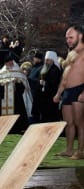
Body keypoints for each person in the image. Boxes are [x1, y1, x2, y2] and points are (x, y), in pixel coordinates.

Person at [53, 24, 84, 160]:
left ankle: (80, 151)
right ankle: (69, 149)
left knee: (79, 122)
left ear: (80, 36)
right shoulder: (71, 53)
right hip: (67, 91)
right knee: (68, 123)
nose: (68, 40)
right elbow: (65, 76)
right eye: (67, 38)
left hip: (79, 90)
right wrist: (59, 93)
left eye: (71, 37)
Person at [0, 53, 33, 133]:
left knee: (18, 111)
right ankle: (3, 128)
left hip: (16, 98)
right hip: (4, 99)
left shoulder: (18, 71)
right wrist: (2, 84)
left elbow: (24, 84)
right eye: (7, 63)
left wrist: (17, 82)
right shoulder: (2, 72)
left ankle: (18, 128)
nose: (9, 64)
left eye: (10, 62)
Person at [33, 51, 62, 123]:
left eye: (48, 60)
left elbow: (55, 83)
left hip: (51, 97)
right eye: (45, 59)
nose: (46, 61)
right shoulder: (44, 68)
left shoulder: (55, 70)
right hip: (42, 98)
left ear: (52, 60)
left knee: (51, 117)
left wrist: (45, 83)